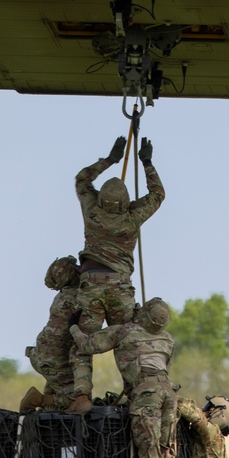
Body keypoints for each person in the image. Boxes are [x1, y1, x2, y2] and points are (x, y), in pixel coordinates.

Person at [69, 134, 165, 411]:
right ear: (126, 204)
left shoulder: (91, 211)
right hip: (121, 288)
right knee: (128, 341)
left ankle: (81, 397)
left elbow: (81, 180)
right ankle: (137, 393)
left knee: (82, 342)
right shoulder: (132, 217)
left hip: (91, 287)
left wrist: (111, 159)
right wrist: (146, 162)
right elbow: (158, 194)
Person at [70, 297, 176, 458]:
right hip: (169, 393)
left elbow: (88, 345)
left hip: (146, 395)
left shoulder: (126, 331)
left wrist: (74, 327)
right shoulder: (167, 340)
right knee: (165, 450)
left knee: (148, 452)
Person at [20, 255, 86, 413]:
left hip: (45, 355)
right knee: (75, 400)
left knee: (57, 393)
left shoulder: (63, 296)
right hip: (55, 360)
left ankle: (46, 403)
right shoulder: (78, 299)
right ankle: (38, 400)